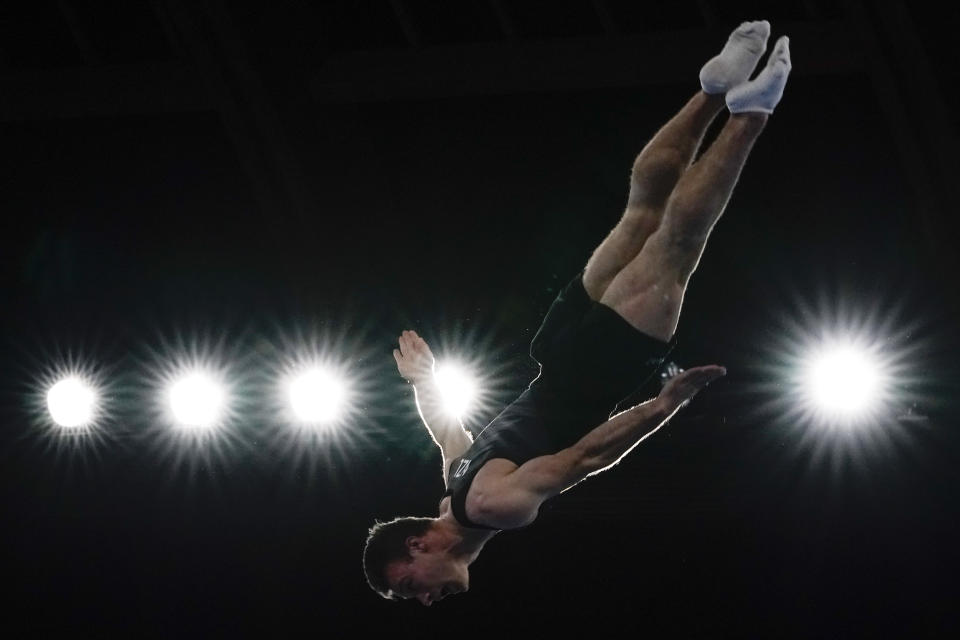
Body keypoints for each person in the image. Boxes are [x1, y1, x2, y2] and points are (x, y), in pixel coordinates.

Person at [363, 21, 791, 606]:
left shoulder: (496, 509)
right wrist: (422, 379)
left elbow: (588, 456)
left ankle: (751, 114)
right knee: (640, 213)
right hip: (555, 346)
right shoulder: (454, 488)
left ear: (417, 548)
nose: (424, 600)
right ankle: (714, 89)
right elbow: (443, 428)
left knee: (678, 244)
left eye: (410, 589)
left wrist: (661, 407)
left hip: (593, 372)